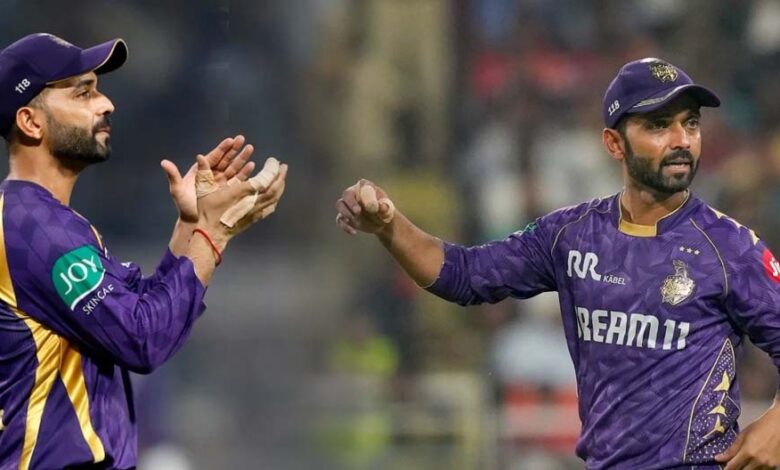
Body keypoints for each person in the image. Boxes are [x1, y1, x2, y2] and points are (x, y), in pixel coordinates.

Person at [336, 57, 780, 469]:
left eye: (691, 123)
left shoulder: (730, 247)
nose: (682, 140)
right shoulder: (570, 236)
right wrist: (389, 226)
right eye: (659, 125)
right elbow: (462, 275)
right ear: (614, 143)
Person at [0, 33, 288, 469]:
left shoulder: (42, 221)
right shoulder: (34, 229)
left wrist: (192, 225)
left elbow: (141, 311)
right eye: (84, 92)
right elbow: (143, 339)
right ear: (31, 122)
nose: (106, 104)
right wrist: (213, 233)